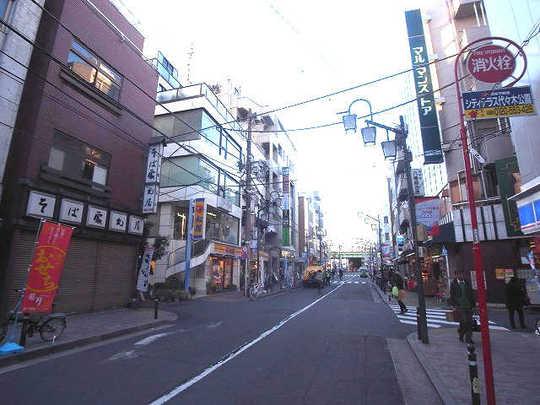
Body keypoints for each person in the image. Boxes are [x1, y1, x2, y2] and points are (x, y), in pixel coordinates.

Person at [450, 271, 476, 343]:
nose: (461, 275)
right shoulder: (453, 284)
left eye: (462, 274)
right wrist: (454, 305)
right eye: (459, 274)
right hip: (460, 306)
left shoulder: (467, 283)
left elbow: (471, 294)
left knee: (470, 323)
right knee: (464, 322)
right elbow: (452, 295)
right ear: (456, 275)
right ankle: (461, 334)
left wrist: (473, 305)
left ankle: (468, 338)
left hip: (469, 306)